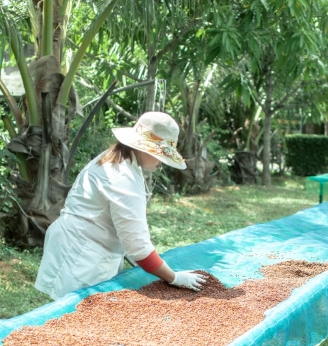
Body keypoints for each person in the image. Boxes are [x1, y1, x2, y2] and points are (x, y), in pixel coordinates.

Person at [35, 111, 207, 300]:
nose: (161, 163)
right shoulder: (123, 177)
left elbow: (128, 231)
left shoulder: (117, 159)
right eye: (160, 156)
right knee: (77, 313)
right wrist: (175, 278)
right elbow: (138, 248)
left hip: (83, 242)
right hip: (83, 253)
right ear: (145, 148)